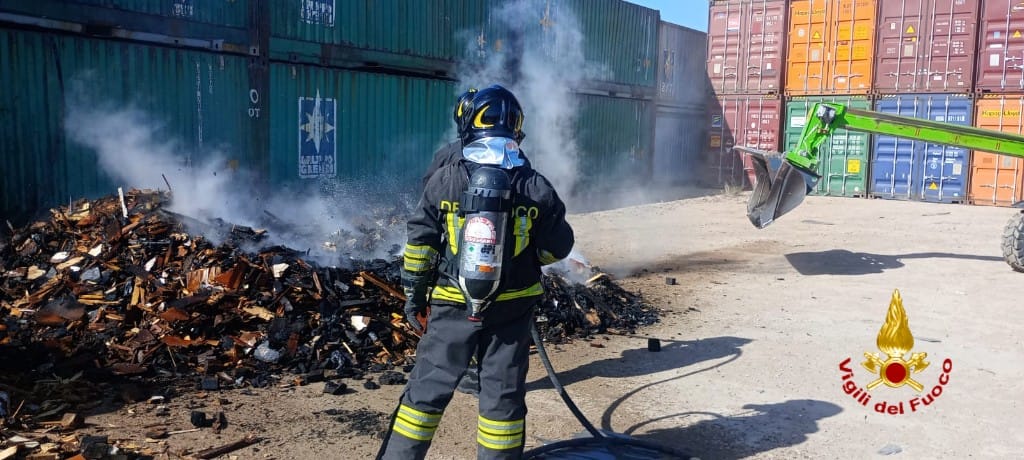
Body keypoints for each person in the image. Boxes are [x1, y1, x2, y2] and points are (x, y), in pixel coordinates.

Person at [377, 84, 575, 460]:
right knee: (502, 401)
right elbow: (558, 247)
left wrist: (415, 297)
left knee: (424, 395)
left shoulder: (446, 179)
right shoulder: (535, 185)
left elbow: (420, 247)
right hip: (512, 311)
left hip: (452, 303)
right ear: (517, 128)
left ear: (469, 125)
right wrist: (523, 260)